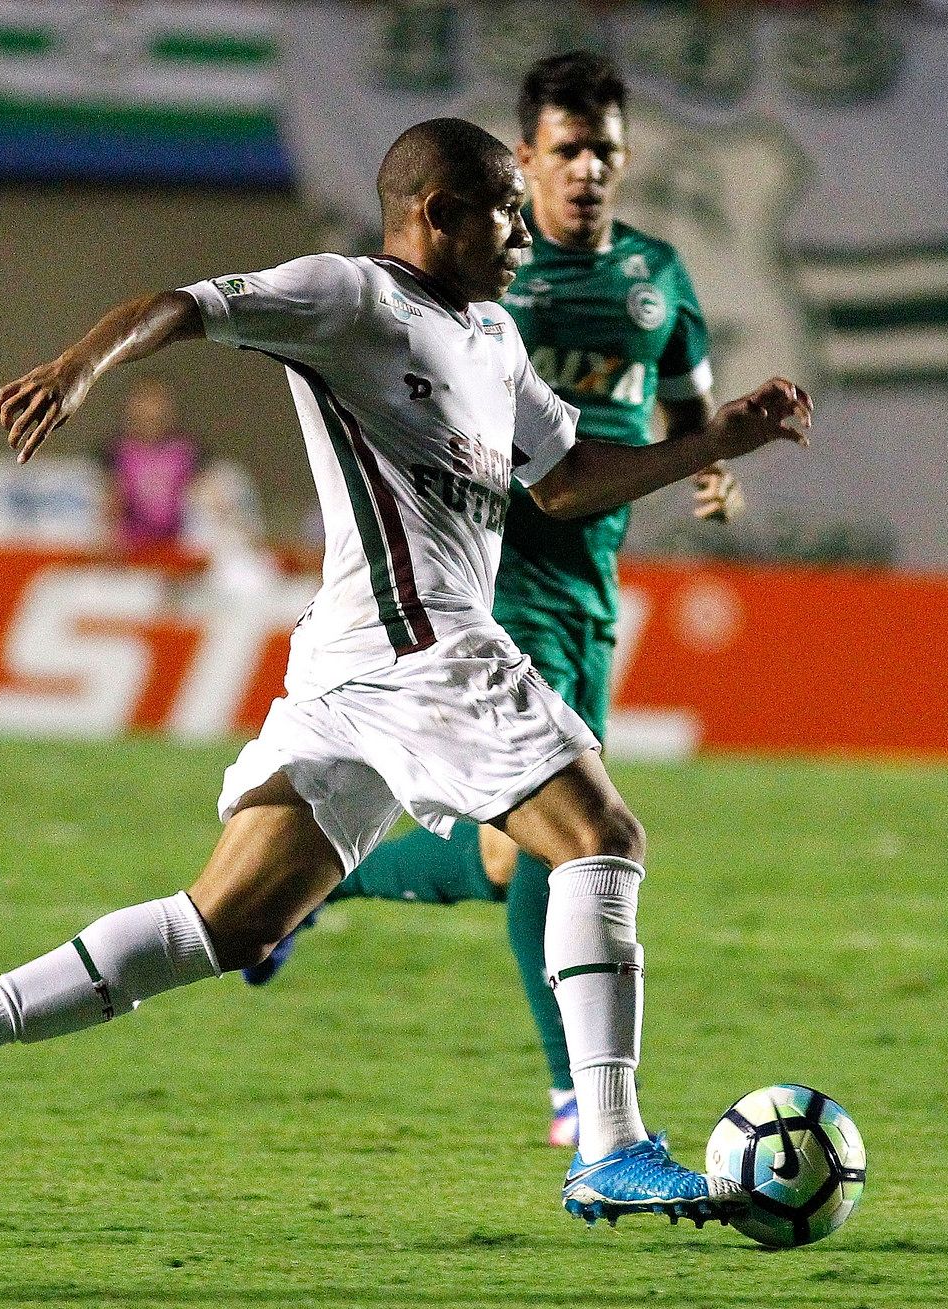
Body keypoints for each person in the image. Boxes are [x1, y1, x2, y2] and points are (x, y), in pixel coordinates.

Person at [0, 118, 812, 1227]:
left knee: (226, 925)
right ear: (437, 215)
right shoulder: (346, 297)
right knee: (600, 836)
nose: (522, 234)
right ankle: (607, 1143)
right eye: (505, 212)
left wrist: (713, 442)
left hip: (354, 660)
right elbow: (183, 305)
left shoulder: (494, 337)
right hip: (420, 647)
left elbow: (562, 481)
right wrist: (79, 370)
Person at [242, 50, 740, 1153]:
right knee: (570, 842)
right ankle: (576, 1097)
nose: (588, 170)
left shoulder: (656, 275)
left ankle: (321, 881)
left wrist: (709, 461)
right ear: (527, 158)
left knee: (523, 851)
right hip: (495, 581)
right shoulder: (489, 284)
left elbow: (683, 393)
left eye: (605, 150)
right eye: (568, 150)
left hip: (592, 580)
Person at [101, 375, 200, 551]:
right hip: (132, 548)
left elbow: (201, 498)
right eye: (143, 401)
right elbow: (111, 503)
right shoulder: (117, 451)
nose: (150, 411)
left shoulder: (186, 451)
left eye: (156, 402)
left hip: (178, 547)